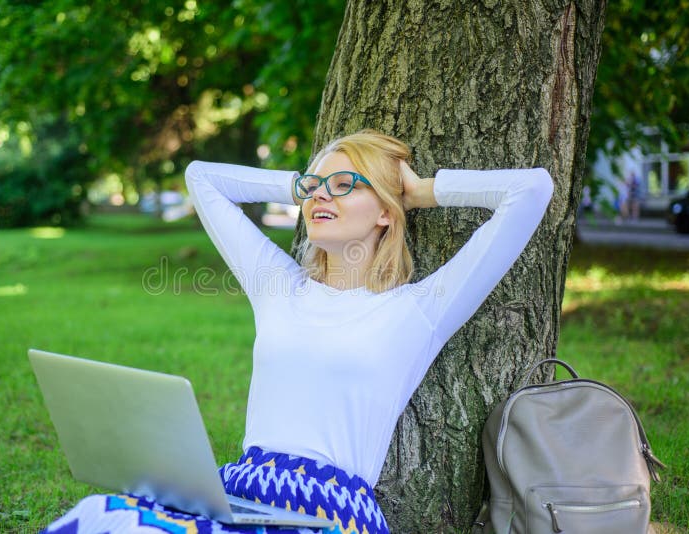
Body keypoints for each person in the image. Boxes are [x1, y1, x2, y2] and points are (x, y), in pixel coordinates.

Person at [41, 129, 554, 534]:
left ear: (384, 212)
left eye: (345, 184)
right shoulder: (279, 289)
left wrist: (421, 190)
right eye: (314, 188)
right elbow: (201, 178)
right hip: (238, 493)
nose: (320, 196)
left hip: (331, 514)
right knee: (103, 515)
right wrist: (296, 184)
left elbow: (531, 190)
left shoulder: (420, 309)